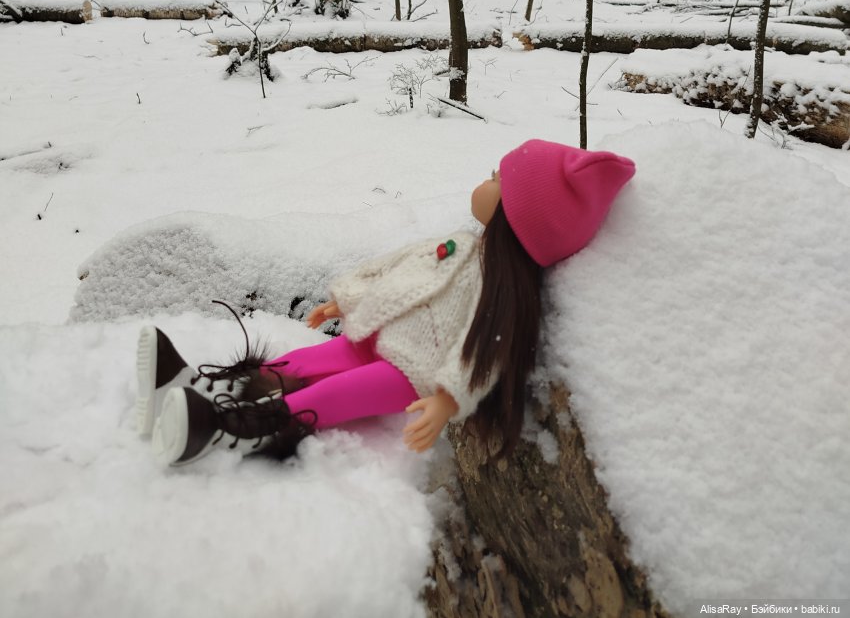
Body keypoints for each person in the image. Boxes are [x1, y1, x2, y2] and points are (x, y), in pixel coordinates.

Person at [138, 140, 635, 467]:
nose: (485, 182)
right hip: (374, 338)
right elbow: (398, 268)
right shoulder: (461, 247)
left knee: (327, 397)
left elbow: (483, 354)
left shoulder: (499, 293)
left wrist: (447, 399)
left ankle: (224, 429)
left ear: (518, 215)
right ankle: (201, 388)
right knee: (300, 363)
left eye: (497, 179)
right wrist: (347, 298)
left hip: (407, 376)